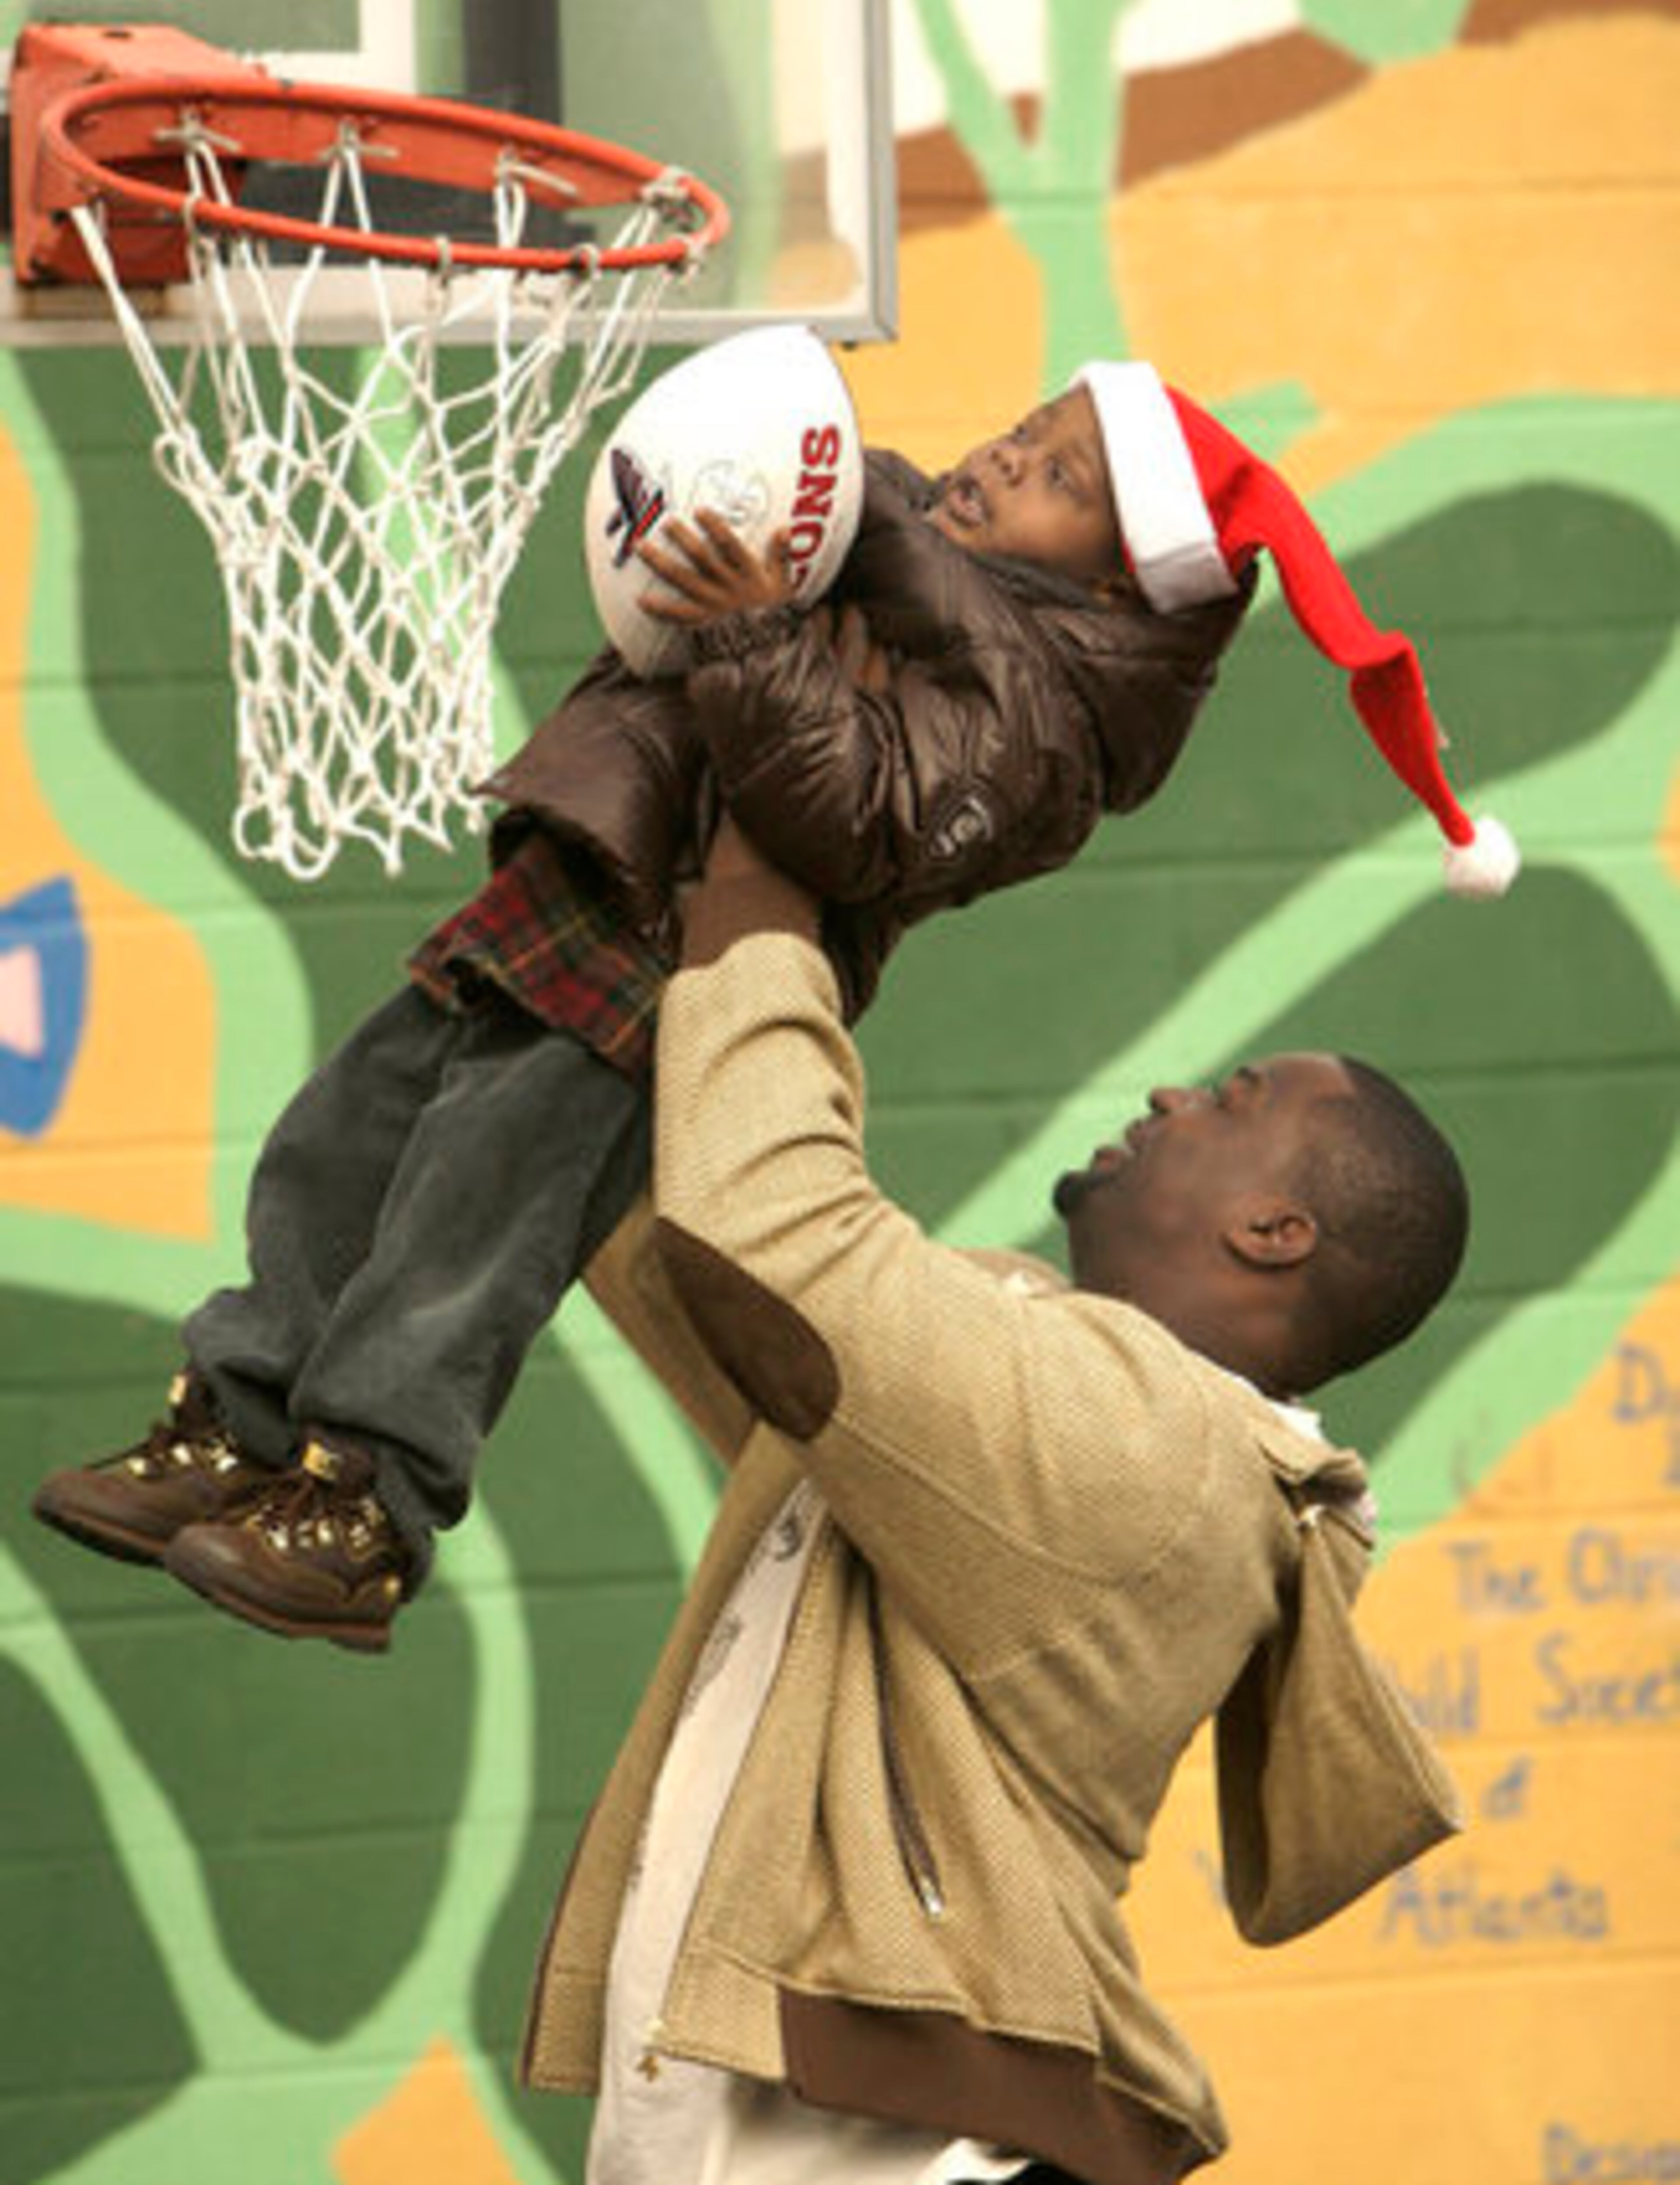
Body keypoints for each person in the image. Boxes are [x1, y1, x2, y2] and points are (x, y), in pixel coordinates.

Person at [31, 361, 1510, 1652]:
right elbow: (794, 489)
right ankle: (235, 1413)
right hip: (592, 863)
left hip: (668, 951)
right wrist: (766, 435)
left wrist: (752, 638)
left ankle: (369, 1506)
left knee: (473, 1220)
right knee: (342, 1138)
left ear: (1122, 588)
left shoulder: (1043, 732)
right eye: (1025, 432)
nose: (1007, 459)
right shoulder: (884, 527)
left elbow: (861, 819)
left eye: (1061, 477)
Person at [525, 812, 1468, 2184]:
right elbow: (705, 1261)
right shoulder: (1042, 1397)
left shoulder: (1157, 1451)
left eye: (1232, 1099)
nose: (1173, 1096)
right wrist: (624, 932)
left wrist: (761, 885)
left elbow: (774, 1237)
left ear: (1274, 1232)